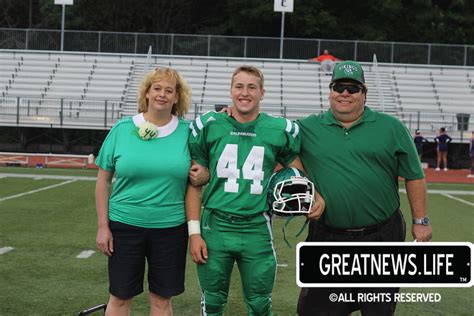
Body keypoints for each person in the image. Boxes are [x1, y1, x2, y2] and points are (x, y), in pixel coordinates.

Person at [185, 65, 325, 315]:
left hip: (256, 227)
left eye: (252, 87)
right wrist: (194, 233)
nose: (245, 93)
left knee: (260, 304)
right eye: (239, 86)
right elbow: (195, 183)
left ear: (262, 92)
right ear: (231, 91)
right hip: (215, 225)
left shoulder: (279, 129)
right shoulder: (209, 125)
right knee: (213, 302)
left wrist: (315, 196)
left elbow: (296, 169)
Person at [296, 61, 432, 316]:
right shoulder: (306, 128)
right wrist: (233, 114)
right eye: (339, 86)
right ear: (330, 91)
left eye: (353, 88)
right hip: (327, 237)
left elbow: (414, 175)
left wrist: (421, 220)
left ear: (364, 93)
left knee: (377, 311)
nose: (345, 93)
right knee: (314, 312)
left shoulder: (390, 127)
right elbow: (270, 138)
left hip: (381, 236)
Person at [95, 67, 208, 315]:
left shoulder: (189, 132)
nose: (162, 94)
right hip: (124, 226)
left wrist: (205, 174)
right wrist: (103, 226)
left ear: (177, 97)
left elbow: (200, 173)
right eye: (157, 88)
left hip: (170, 229)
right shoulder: (122, 129)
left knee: (161, 301)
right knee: (120, 297)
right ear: (146, 93)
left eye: (169, 90)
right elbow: (103, 181)